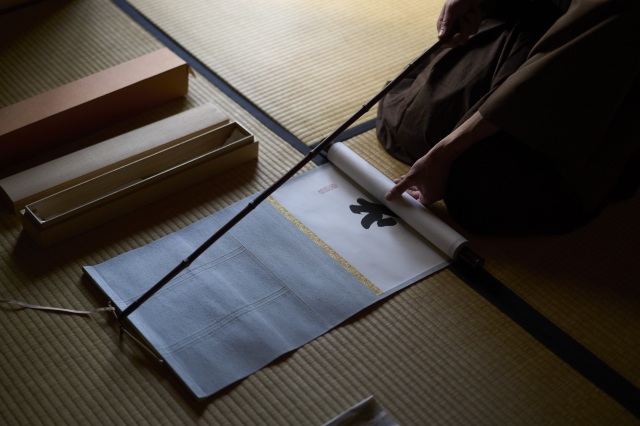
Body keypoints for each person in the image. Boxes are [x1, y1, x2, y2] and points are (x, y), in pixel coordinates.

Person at [377, 0, 640, 235]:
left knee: (480, 191)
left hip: (601, 56)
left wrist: (443, 153)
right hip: (535, 18)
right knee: (415, 122)